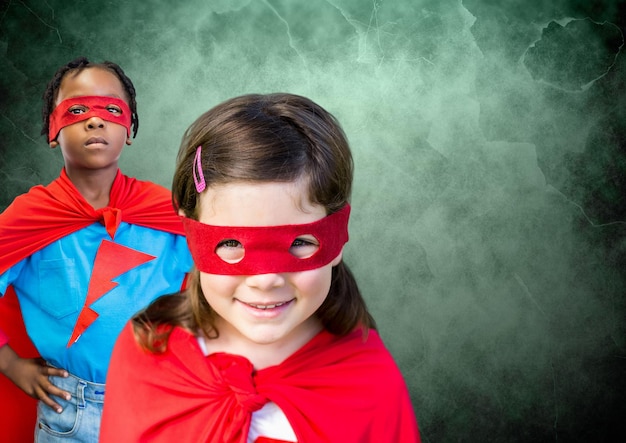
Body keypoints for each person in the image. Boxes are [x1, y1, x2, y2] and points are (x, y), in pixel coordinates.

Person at [100, 93, 420, 442]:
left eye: (299, 243)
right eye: (231, 244)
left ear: (338, 235)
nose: (266, 280)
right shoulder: (146, 352)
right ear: (190, 237)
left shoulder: (370, 385)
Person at [0, 56, 192, 442]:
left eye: (111, 109)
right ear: (53, 130)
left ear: (129, 128)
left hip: (157, 405)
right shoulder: (27, 217)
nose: (95, 119)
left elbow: (223, 276)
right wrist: (10, 364)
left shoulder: (169, 211)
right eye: (76, 109)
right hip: (68, 413)